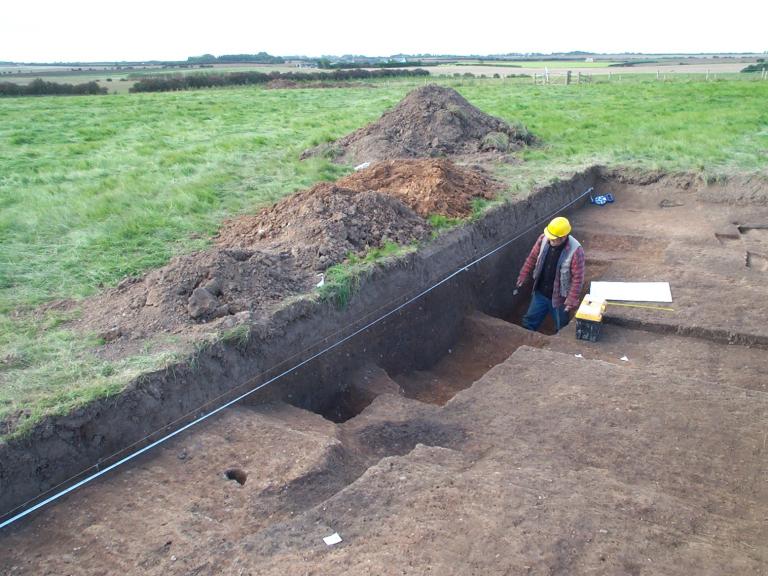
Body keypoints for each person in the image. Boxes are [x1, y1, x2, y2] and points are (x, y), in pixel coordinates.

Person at [514, 216, 585, 332]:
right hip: (540, 292)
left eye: (553, 239)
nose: (550, 241)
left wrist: (572, 299)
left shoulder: (576, 250)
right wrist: (523, 274)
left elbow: (578, 278)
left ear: (563, 237)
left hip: (560, 297)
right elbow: (532, 258)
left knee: (561, 326)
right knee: (529, 322)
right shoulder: (543, 239)